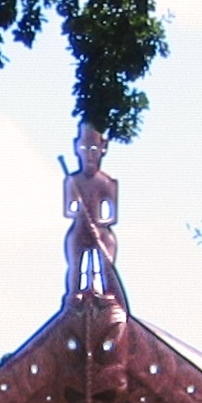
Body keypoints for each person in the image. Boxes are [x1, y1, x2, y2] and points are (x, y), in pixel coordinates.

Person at [63, 124, 120, 299]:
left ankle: (108, 293)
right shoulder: (72, 180)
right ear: (76, 147)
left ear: (103, 149)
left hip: (100, 231)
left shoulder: (107, 182)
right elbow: (67, 210)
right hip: (80, 228)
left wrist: (99, 225)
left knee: (106, 262)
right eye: (84, 148)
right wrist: (79, 214)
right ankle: (74, 292)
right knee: (75, 263)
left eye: (94, 149)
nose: (88, 155)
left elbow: (112, 215)